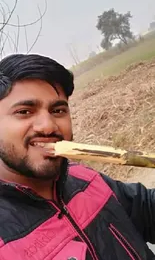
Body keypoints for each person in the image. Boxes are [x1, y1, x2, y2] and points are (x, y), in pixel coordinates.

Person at [0, 53, 154, 260]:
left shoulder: (85, 178)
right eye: (25, 111)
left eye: (58, 110)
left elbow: (146, 209)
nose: (48, 125)